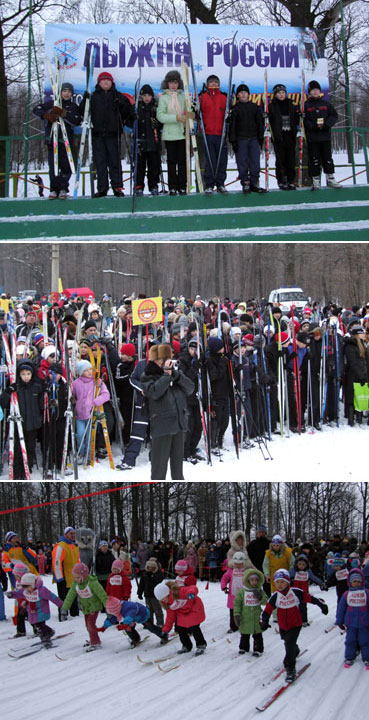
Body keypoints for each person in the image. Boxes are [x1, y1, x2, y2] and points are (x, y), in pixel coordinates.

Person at [260, 569, 328, 682]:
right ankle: (295, 650)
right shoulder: (275, 596)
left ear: (287, 582)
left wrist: (322, 605)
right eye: (277, 582)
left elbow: (310, 598)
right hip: (283, 625)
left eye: (282, 582)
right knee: (288, 642)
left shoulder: (295, 592)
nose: (280, 584)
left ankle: (290, 668)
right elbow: (267, 610)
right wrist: (264, 622)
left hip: (295, 624)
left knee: (289, 644)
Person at [140, 343, 194, 479]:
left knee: (178, 470)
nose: (166, 362)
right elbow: (154, 392)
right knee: (159, 469)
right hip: (162, 426)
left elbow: (190, 388)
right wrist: (166, 376)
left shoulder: (175, 374)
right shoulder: (148, 376)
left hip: (179, 424)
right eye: (163, 360)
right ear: (155, 360)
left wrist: (176, 376)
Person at [80, 70, 135, 197]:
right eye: (103, 80)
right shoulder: (93, 96)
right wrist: (85, 100)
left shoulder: (117, 95)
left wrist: (120, 104)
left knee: (114, 162)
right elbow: (83, 112)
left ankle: (117, 187)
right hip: (97, 134)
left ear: (112, 82)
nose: (105, 82)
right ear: (99, 83)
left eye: (108, 80)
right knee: (100, 162)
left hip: (113, 133)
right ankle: (102, 188)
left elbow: (128, 111)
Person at [33, 82, 81, 199]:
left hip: (66, 141)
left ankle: (63, 188)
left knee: (66, 165)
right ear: (60, 93)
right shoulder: (51, 104)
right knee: (53, 165)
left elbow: (76, 120)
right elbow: (36, 109)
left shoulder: (73, 106)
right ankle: (54, 189)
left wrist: (63, 114)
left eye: (69, 92)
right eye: (64, 91)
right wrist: (46, 115)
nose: (66, 94)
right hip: (52, 139)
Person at [0, 359, 44, 479]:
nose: (26, 377)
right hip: (17, 423)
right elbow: (2, 403)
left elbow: (42, 405)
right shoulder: (15, 387)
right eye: (23, 374)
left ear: (32, 374)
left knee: (30, 447)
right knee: (18, 448)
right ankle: (16, 469)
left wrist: (40, 418)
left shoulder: (37, 387)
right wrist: (8, 391)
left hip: (33, 423)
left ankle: (27, 467)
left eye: (28, 374)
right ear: (19, 374)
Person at [228, 84, 265, 194]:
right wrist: (233, 141)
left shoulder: (254, 107)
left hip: (253, 138)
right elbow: (232, 126)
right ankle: (245, 182)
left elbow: (259, 124)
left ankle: (254, 182)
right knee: (242, 162)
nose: (243, 94)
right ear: (238, 95)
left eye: (245, 92)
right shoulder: (235, 109)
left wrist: (260, 137)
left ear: (249, 95)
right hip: (241, 139)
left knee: (255, 162)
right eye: (241, 93)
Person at [7, 573, 63, 646]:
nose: (27, 589)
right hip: (32, 612)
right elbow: (18, 593)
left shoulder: (41, 590)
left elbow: (52, 597)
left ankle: (46, 638)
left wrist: (61, 604)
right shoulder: (26, 591)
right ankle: (48, 633)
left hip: (41, 611)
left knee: (40, 626)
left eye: (28, 587)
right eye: (25, 587)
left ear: (33, 584)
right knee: (36, 625)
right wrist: (11, 594)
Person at [62, 562, 107, 652]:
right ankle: (94, 639)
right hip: (86, 608)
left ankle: (95, 642)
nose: (76, 579)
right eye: (74, 577)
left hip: (94, 607)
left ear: (84, 575)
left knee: (91, 625)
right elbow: (70, 596)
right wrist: (64, 608)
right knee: (88, 625)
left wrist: (108, 606)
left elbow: (102, 594)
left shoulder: (92, 583)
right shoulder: (75, 585)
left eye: (78, 577)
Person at [303, 80, 340, 189]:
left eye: (317, 90)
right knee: (314, 159)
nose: (315, 92)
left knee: (327, 158)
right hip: (313, 137)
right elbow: (305, 120)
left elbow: (334, 116)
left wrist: (326, 124)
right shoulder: (306, 105)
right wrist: (313, 126)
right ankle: (316, 179)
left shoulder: (326, 104)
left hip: (325, 136)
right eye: (313, 90)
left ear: (320, 91)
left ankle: (330, 178)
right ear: (309, 92)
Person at [154, 579, 207, 655]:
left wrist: (191, 593)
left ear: (168, 593)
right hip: (182, 612)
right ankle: (186, 646)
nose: (164, 600)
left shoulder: (178, 592)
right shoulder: (168, 604)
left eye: (164, 597)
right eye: (161, 600)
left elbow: (192, 588)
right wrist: (165, 630)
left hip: (193, 607)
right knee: (180, 628)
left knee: (194, 626)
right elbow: (170, 617)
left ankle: (201, 644)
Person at [72, 359, 110, 463]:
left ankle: (88, 457)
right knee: (79, 435)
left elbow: (106, 394)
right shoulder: (76, 383)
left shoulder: (97, 382)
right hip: (80, 415)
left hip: (92, 415)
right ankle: (81, 452)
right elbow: (73, 396)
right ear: (81, 372)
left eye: (90, 369)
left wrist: (96, 401)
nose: (89, 372)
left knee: (90, 437)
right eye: (86, 370)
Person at [157, 70, 187, 195]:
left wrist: (190, 114)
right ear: (167, 84)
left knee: (182, 162)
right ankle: (172, 187)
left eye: (175, 82)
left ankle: (182, 186)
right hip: (169, 135)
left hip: (181, 134)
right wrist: (175, 118)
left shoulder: (183, 97)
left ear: (179, 83)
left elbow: (187, 113)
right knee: (171, 162)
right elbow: (160, 116)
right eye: (171, 82)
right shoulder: (163, 98)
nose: (173, 85)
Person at [198, 74, 228, 194]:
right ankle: (209, 184)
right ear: (207, 84)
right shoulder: (203, 97)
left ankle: (220, 183)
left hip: (221, 134)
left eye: (216, 82)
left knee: (222, 160)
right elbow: (196, 112)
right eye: (211, 82)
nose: (214, 84)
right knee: (210, 160)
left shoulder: (224, 98)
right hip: (208, 133)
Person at [336, 568, 369, 668]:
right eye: (354, 581)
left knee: (365, 641)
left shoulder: (366, 593)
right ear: (350, 582)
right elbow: (341, 609)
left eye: (359, 581)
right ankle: (349, 657)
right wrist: (339, 621)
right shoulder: (346, 594)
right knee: (350, 641)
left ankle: (367, 658)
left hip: (364, 623)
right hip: (351, 623)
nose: (357, 583)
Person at [268, 84, 299, 190]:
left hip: (290, 135)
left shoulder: (291, 104)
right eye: (279, 93)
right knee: (281, 159)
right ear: (275, 95)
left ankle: (291, 180)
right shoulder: (272, 105)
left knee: (291, 159)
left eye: (283, 93)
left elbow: (295, 118)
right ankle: (282, 180)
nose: (281, 95)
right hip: (278, 136)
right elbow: (271, 119)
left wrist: (299, 116)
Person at [233, 568, 268, 655]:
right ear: (247, 580)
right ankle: (243, 647)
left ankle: (258, 649)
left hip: (256, 616)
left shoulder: (260, 591)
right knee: (244, 634)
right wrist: (236, 614)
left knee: (257, 634)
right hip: (245, 617)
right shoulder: (242, 592)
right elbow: (237, 603)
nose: (254, 582)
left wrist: (260, 597)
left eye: (256, 580)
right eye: (252, 580)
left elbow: (266, 601)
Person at [135, 84, 162, 195]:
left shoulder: (155, 108)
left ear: (152, 97)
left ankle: (153, 185)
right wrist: (133, 118)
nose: (146, 98)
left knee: (154, 166)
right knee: (140, 166)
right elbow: (129, 122)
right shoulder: (137, 108)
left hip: (153, 142)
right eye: (144, 95)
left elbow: (161, 123)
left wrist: (157, 123)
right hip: (140, 142)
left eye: (149, 95)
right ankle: (139, 186)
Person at [52, 526, 80, 621]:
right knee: (63, 598)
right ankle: (63, 615)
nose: (73, 535)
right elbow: (57, 562)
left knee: (73, 597)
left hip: (73, 577)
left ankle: (75, 614)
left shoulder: (74, 546)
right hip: (63, 578)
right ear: (66, 534)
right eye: (70, 533)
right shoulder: (61, 545)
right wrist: (60, 578)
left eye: (74, 533)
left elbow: (77, 561)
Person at [289, 553, 325, 626]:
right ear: (296, 564)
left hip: (304, 592)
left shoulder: (308, 571)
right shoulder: (293, 570)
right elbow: (287, 576)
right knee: (293, 606)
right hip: (294, 592)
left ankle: (304, 621)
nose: (301, 566)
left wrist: (321, 583)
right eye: (299, 564)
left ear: (306, 565)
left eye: (303, 565)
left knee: (303, 606)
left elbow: (313, 577)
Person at [221, 551, 249, 633]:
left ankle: (244, 625)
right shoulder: (230, 570)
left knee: (244, 610)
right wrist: (224, 587)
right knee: (233, 611)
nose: (238, 565)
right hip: (233, 595)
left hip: (245, 594)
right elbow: (224, 578)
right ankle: (233, 626)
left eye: (240, 563)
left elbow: (252, 578)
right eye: (236, 563)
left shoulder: (246, 570)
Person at [137, 557, 164, 627]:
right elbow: (141, 585)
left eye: (152, 567)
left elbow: (159, 581)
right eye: (149, 567)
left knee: (157, 610)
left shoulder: (158, 574)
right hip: (147, 595)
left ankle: (160, 623)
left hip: (156, 596)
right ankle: (149, 623)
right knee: (149, 611)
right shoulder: (144, 574)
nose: (151, 569)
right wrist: (139, 593)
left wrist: (151, 577)